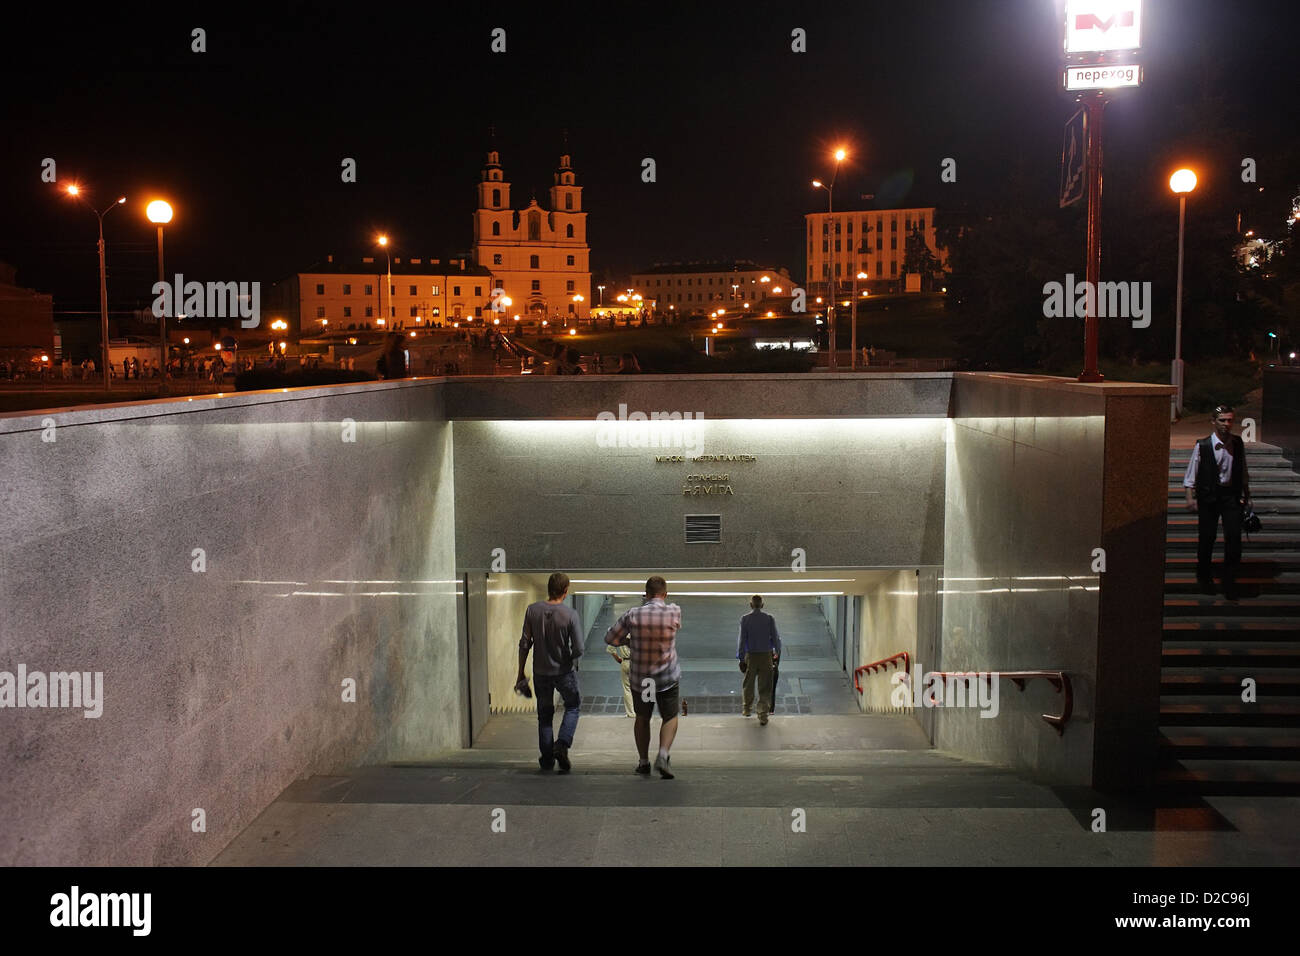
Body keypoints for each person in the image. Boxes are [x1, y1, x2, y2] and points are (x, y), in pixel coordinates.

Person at [604, 576, 682, 778]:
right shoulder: (674, 611)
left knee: (643, 718)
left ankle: (643, 762)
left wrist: (629, 640)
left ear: (646, 594)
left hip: (643, 680)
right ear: (664, 594)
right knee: (670, 716)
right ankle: (663, 755)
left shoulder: (633, 615)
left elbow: (610, 638)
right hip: (666, 679)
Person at [515, 572, 584, 772]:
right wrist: (569, 658)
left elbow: (524, 644)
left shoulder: (532, 611)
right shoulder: (570, 615)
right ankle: (561, 745)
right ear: (565, 591)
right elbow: (579, 648)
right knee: (572, 706)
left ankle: (547, 760)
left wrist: (520, 672)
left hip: (540, 672)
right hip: (563, 672)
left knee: (544, 715)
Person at [1184, 405, 1252, 600]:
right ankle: (1204, 574)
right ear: (1213, 421)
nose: (1226, 424)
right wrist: (1190, 497)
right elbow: (1192, 473)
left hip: (1230, 496)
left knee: (1233, 537)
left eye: (1230, 420)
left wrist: (1246, 493)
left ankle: (1229, 577)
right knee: (1207, 536)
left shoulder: (1237, 443)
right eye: (1222, 420)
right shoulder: (1203, 445)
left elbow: (1242, 469)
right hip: (1209, 497)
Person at [737, 595, 782, 724]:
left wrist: (741, 658)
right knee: (765, 686)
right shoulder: (769, 619)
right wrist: (776, 653)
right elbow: (775, 637)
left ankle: (747, 709)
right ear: (762, 605)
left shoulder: (745, 619)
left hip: (750, 655)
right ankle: (763, 715)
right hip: (766, 655)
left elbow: (741, 640)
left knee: (748, 683)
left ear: (751, 605)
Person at [606, 635, 635, 718]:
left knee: (627, 688)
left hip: (625, 662)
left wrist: (618, 659)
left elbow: (611, 648)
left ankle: (631, 713)